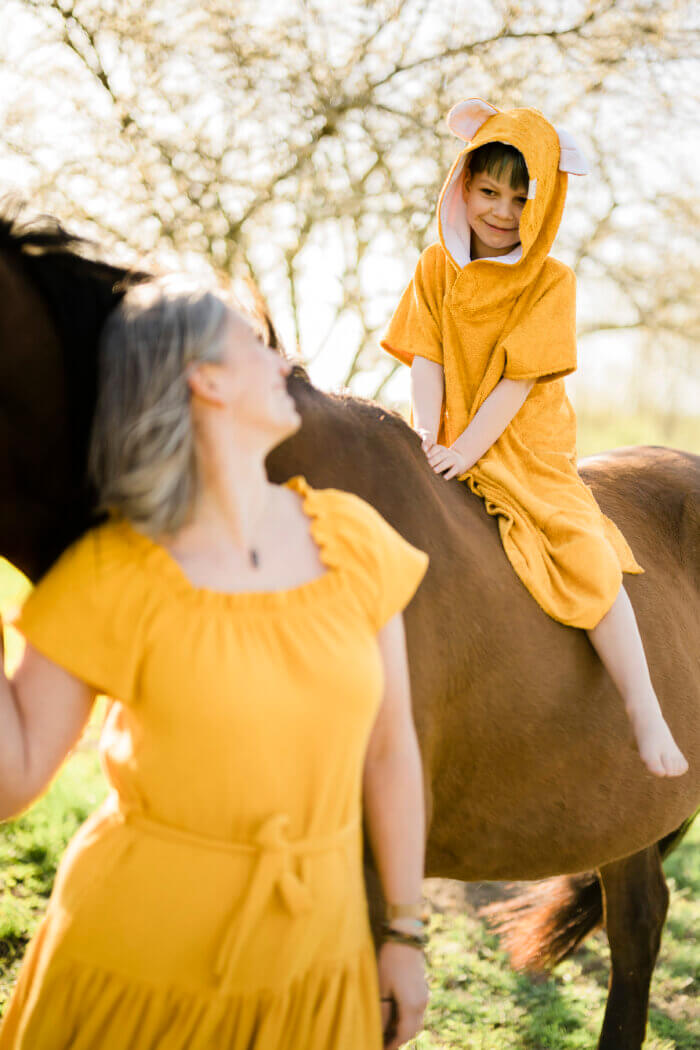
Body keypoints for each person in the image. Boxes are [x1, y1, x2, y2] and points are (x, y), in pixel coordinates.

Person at [0, 278, 430, 1049]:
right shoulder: (113, 576)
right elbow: (15, 774)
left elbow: (392, 750)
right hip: (130, 981)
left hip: (317, 970)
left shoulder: (355, 540)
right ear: (205, 378)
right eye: (258, 344)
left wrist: (404, 933)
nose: (284, 359)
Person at [381, 97, 687, 779]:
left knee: (585, 551)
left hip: (524, 444)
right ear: (463, 186)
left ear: (542, 207)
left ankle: (644, 710)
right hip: (450, 429)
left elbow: (517, 385)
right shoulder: (437, 267)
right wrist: (432, 438)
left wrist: (470, 451)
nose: (501, 210)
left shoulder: (551, 281)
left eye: (521, 198)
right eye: (488, 190)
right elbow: (425, 360)